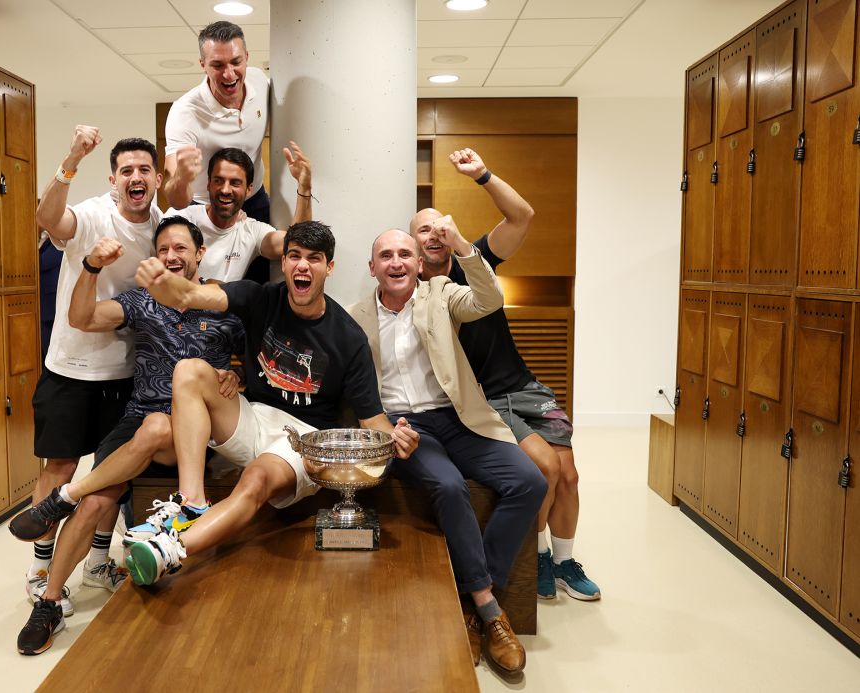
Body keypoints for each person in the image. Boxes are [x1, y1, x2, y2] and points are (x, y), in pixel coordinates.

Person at [123, 221, 420, 585]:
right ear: (284, 262)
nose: (302, 266)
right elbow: (188, 296)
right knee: (189, 370)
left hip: (304, 438)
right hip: (253, 416)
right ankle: (191, 500)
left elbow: (372, 419)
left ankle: (172, 551)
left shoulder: (349, 337)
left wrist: (397, 439)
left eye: (314, 259)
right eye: (294, 256)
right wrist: (162, 283)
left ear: (329, 267)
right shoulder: (260, 296)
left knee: (257, 477)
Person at [10, 218, 245, 655]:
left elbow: (253, 367)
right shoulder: (143, 300)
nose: (172, 257)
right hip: (137, 418)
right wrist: (91, 267)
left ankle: (63, 497)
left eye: (181, 248)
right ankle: (50, 600)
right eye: (163, 250)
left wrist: (234, 377)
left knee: (158, 426)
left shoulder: (224, 304)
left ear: (200, 254)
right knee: (98, 500)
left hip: (191, 436)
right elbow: (81, 318)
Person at [348, 223, 546, 675]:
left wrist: (461, 247)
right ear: (373, 267)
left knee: (529, 481)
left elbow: (489, 299)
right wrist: (382, 430)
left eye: (405, 254)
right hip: (404, 428)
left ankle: (478, 596)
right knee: (449, 486)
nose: (396, 262)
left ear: (419, 263)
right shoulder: (356, 315)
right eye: (386, 256)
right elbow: (351, 384)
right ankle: (490, 613)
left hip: (458, 419)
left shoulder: (440, 293)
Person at [412, 147, 601, 602]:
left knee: (570, 473)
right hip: (485, 401)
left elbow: (522, 216)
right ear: (413, 241)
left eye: (440, 225)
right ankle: (532, 557)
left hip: (525, 387)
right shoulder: (412, 290)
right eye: (424, 228)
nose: (434, 233)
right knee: (546, 466)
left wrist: (482, 175)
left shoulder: (472, 261)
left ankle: (564, 561)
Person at [27, 126, 162, 616]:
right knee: (60, 468)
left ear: (156, 178)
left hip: (126, 372)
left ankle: (98, 562)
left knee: (112, 476)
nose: (136, 177)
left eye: (144, 169)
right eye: (126, 170)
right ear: (113, 179)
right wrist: (71, 157)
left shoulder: (161, 226)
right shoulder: (92, 214)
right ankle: (42, 566)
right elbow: (48, 218)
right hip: (71, 365)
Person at [164, 21, 270, 222]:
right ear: (203, 65)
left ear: (247, 57)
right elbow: (175, 200)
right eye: (218, 65)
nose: (229, 74)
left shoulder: (259, 81)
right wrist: (183, 177)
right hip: (206, 207)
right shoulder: (185, 113)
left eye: (236, 62)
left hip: (255, 198)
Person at [168, 146, 312, 282]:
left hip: (224, 306)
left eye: (235, 183)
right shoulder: (183, 219)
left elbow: (296, 243)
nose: (225, 190)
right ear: (208, 184)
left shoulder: (252, 230)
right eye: (218, 181)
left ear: (249, 190)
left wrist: (304, 188)